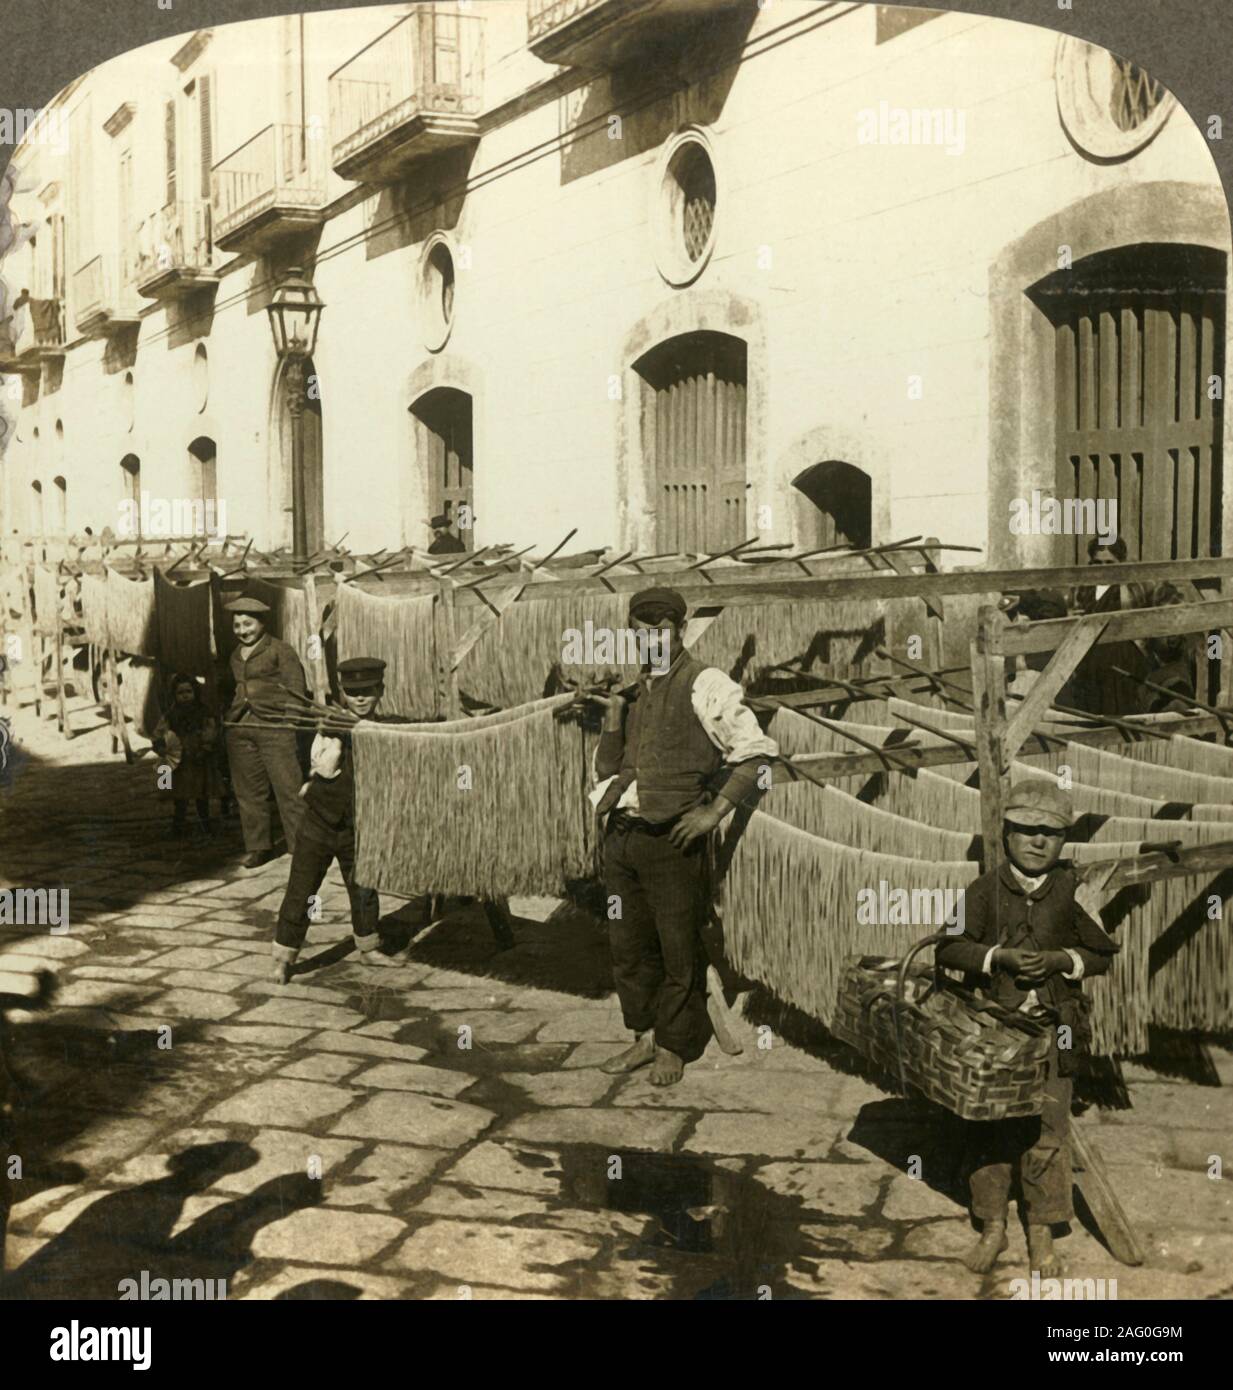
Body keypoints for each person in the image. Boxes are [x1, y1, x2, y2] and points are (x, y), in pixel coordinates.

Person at [587, 587, 778, 1087]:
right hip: (623, 839)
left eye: (663, 631)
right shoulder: (634, 693)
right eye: (642, 632)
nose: (652, 640)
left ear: (679, 631)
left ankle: (674, 1044)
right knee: (628, 945)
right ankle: (644, 1036)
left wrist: (713, 813)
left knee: (677, 948)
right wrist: (612, 722)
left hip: (671, 842)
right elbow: (609, 772)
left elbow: (757, 756)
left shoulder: (706, 684)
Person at [935, 779, 1119, 1278]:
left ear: (1064, 841)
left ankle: (1042, 1229)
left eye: (1051, 834)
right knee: (991, 1129)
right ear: (1006, 834)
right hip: (995, 1030)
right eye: (1026, 831)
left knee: (1049, 1128)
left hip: (1056, 1030)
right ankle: (992, 1224)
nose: (1038, 842)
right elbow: (948, 948)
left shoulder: (1074, 891)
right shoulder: (984, 889)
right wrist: (997, 957)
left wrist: (1062, 958)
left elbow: (1103, 954)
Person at [271, 657, 405, 983]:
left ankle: (368, 947)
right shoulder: (329, 724)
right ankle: (284, 957)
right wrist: (341, 731)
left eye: (368, 691)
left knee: (363, 888)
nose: (360, 698)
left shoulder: (387, 729)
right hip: (318, 823)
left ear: (381, 691)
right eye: (352, 691)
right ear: (342, 692)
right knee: (302, 889)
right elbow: (324, 767)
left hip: (358, 825)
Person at [222, 596, 307, 870]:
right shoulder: (235, 654)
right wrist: (228, 720)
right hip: (241, 728)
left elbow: (296, 688)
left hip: (275, 728)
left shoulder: (281, 650)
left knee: (289, 790)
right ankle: (258, 847)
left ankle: (301, 846)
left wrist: (289, 723)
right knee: (249, 793)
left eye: (248, 624)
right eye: (237, 625)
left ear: (261, 623)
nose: (242, 630)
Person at [151, 673, 223, 838]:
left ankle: (205, 823)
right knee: (180, 795)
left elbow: (210, 729)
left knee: (201, 793)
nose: (185, 696)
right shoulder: (170, 715)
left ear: (195, 692)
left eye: (188, 691)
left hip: (198, 757)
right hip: (180, 761)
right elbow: (159, 732)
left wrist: (206, 745)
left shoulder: (203, 712)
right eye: (180, 693)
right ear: (174, 695)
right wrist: (160, 744)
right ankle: (178, 824)